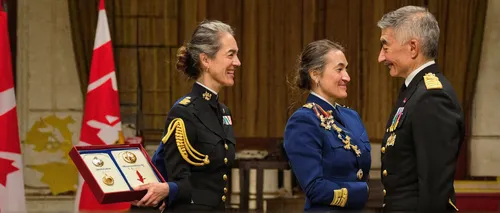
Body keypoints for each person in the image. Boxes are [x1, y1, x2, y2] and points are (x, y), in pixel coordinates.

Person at [132, 20, 241, 212]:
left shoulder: (224, 112)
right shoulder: (184, 112)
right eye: (230, 55)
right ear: (206, 60)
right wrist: (166, 189)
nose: (237, 62)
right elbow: (179, 179)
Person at [377, 6, 464, 213]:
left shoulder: (432, 97)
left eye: (385, 46)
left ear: (413, 47)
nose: (381, 57)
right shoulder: (415, 91)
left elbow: (434, 188)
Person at [283, 39, 372, 212]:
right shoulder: (303, 121)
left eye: (346, 69)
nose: (347, 77)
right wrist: (362, 192)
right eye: (339, 69)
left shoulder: (351, 116)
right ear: (315, 74)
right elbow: (314, 188)